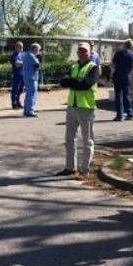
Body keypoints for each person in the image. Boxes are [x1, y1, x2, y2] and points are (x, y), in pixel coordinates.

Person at [57, 42, 99, 179]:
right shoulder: (74, 66)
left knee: (87, 140)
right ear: (77, 52)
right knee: (69, 138)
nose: (82, 53)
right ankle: (70, 167)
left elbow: (86, 85)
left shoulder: (94, 68)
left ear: (90, 52)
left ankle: (85, 170)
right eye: (80, 50)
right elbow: (62, 81)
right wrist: (76, 82)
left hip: (86, 108)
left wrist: (72, 82)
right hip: (72, 107)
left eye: (85, 51)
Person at [111, 39, 133, 121]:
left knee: (118, 96)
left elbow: (113, 64)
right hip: (127, 76)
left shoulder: (119, 53)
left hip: (118, 75)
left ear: (124, 44)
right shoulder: (132, 54)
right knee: (127, 95)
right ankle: (130, 113)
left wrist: (112, 74)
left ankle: (119, 115)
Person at [21, 43, 41, 117]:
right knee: (32, 94)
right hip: (32, 78)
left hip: (27, 77)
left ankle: (26, 110)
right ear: (35, 49)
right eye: (38, 50)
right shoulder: (32, 56)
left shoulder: (26, 55)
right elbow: (37, 65)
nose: (39, 51)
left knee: (28, 94)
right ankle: (30, 111)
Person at [10, 41, 24, 109]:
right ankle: (14, 103)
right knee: (15, 89)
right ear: (16, 47)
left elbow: (21, 63)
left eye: (22, 47)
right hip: (17, 75)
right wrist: (23, 63)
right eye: (20, 47)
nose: (22, 48)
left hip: (22, 75)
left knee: (21, 89)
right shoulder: (14, 55)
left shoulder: (21, 55)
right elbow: (17, 64)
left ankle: (18, 102)